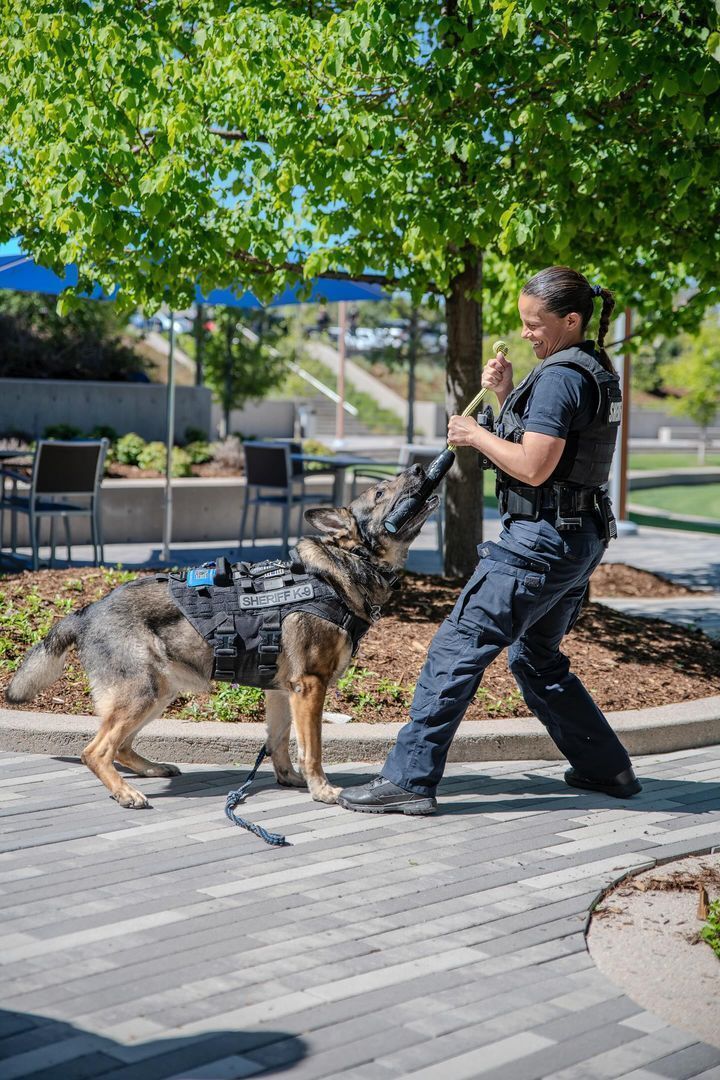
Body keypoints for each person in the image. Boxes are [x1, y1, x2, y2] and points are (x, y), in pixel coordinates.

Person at [338, 266, 641, 816]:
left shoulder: (559, 376)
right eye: (523, 323)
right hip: (579, 537)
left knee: (456, 648)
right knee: (536, 657)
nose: (526, 333)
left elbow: (532, 466)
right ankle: (607, 769)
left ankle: (408, 781)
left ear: (571, 320)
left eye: (535, 324)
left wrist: (476, 433)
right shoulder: (594, 367)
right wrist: (502, 397)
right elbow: (555, 456)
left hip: (540, 542)